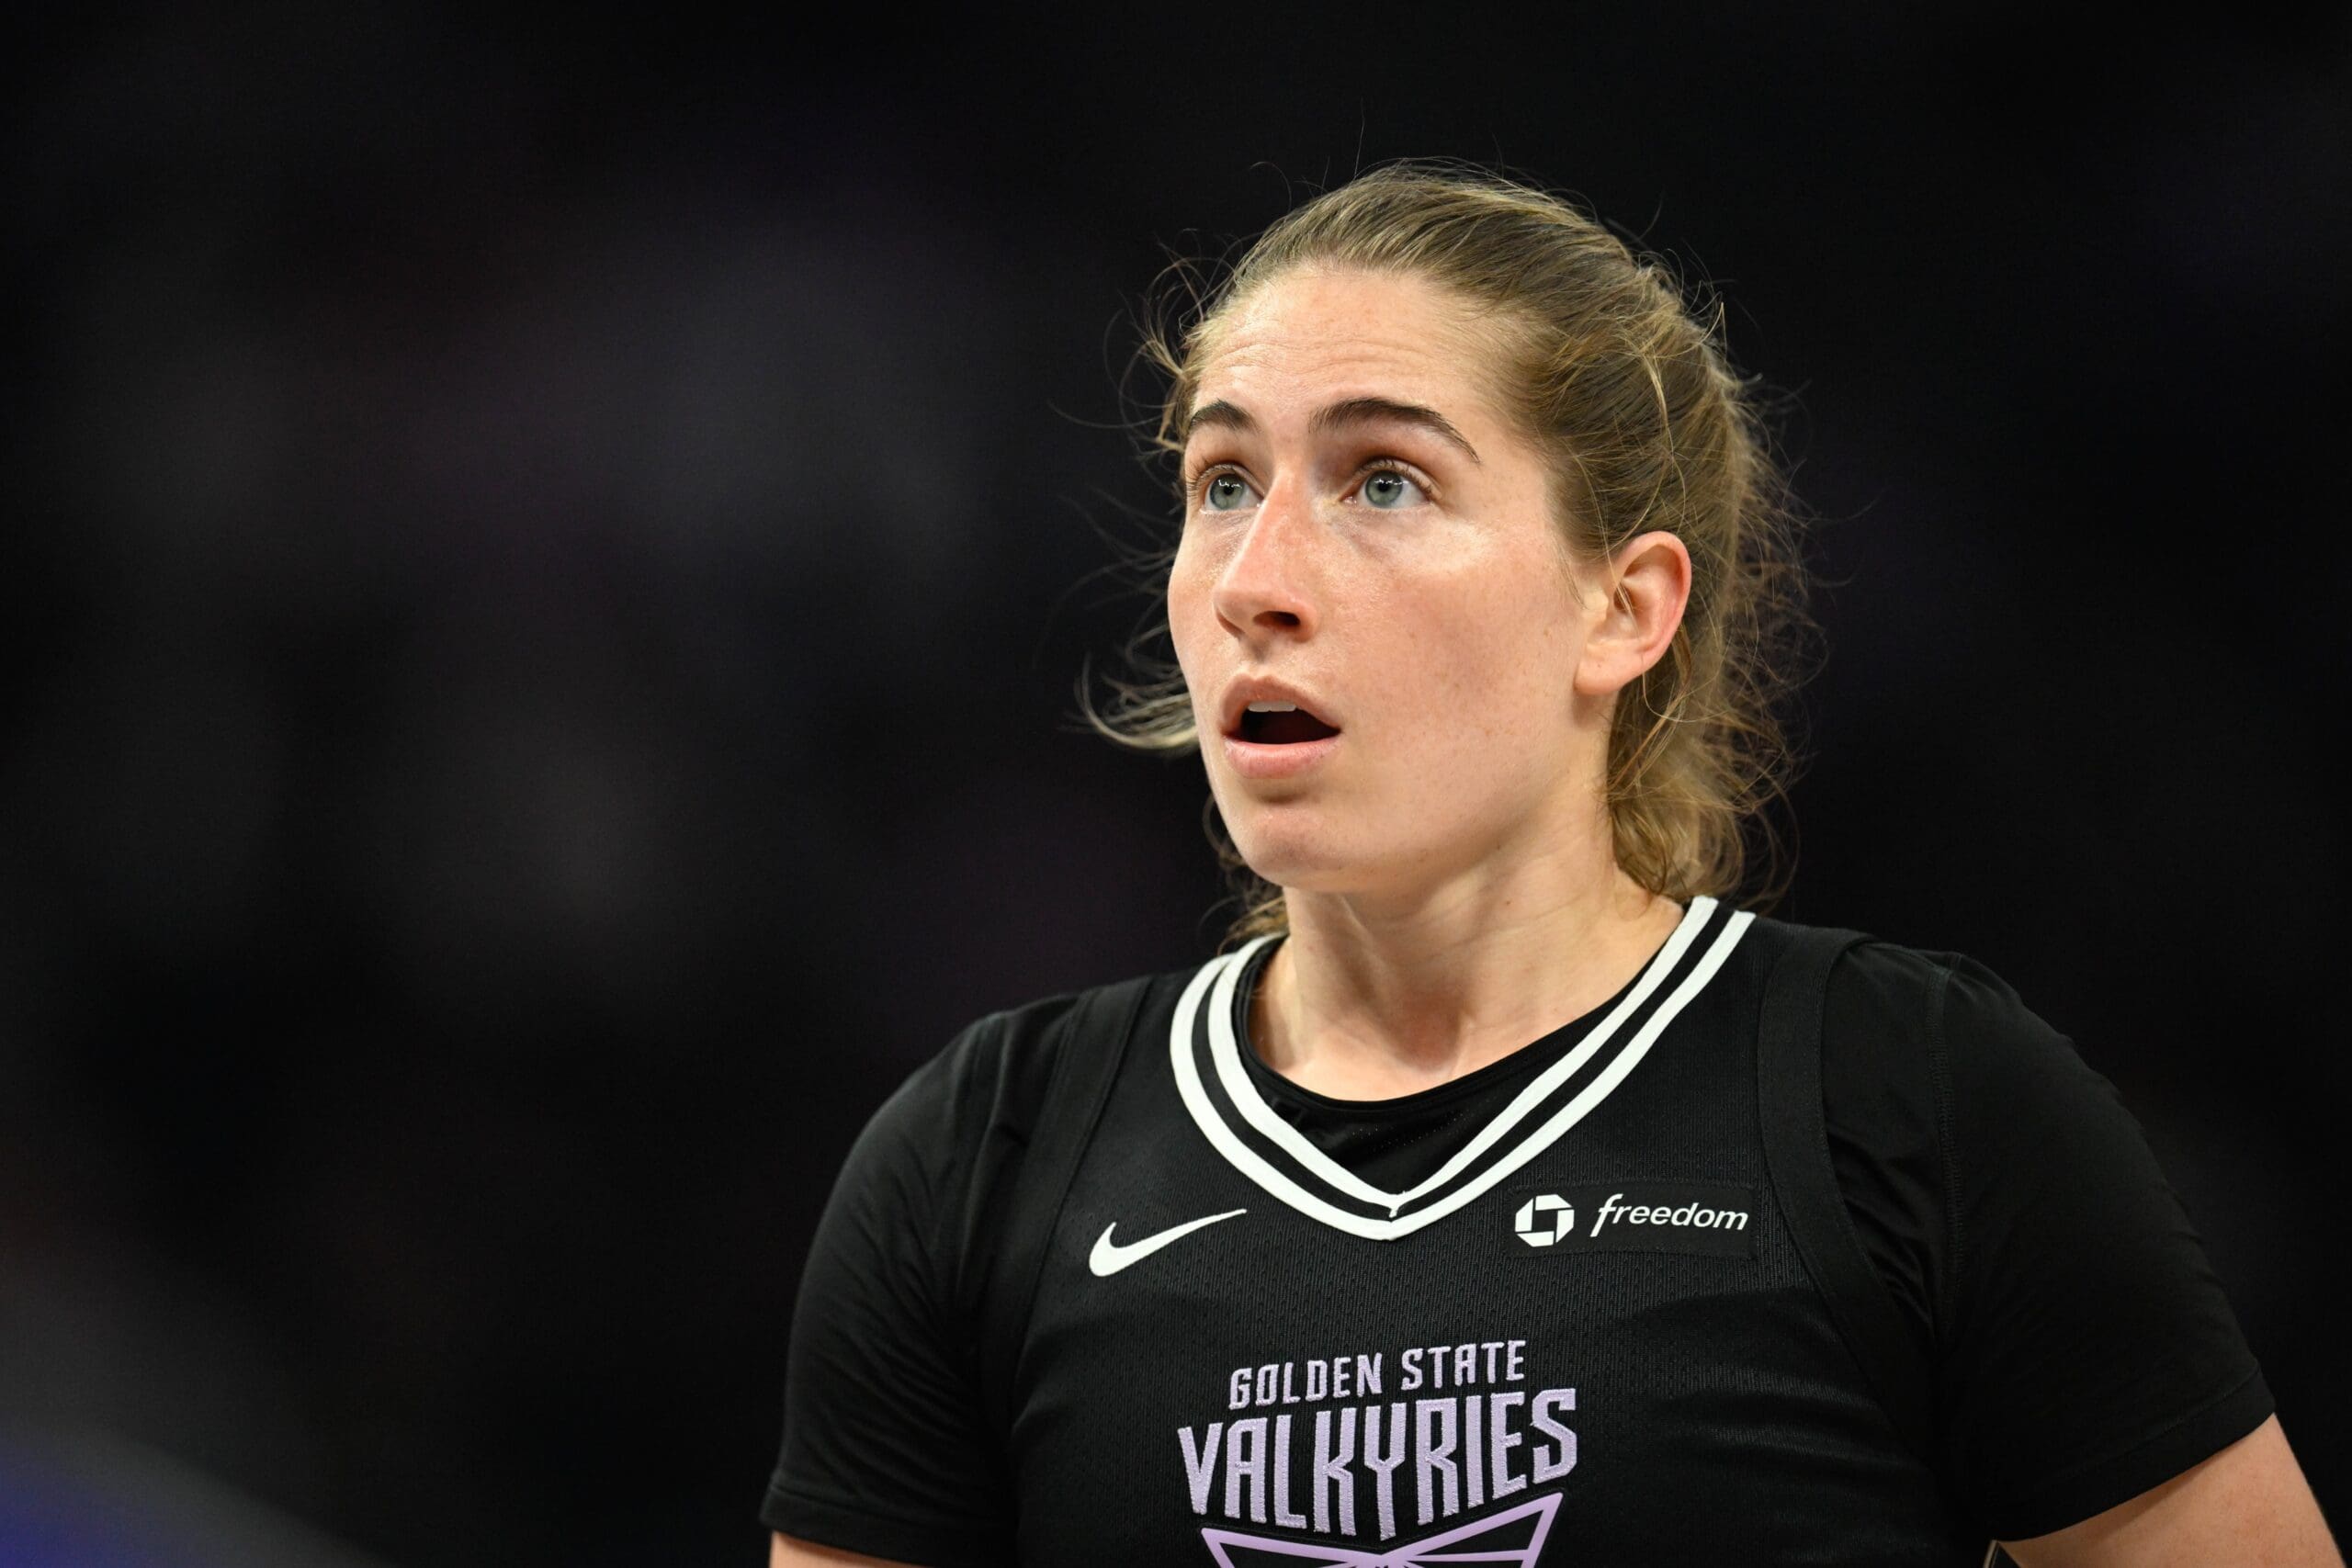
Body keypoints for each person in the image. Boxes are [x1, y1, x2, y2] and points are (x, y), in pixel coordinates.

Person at [759, 163, 2339, 1566]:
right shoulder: (985, 1159)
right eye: (1223, 482)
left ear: (1624, 609)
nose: (1256, 579)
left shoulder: (1918, 1100)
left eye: (1386, 480)